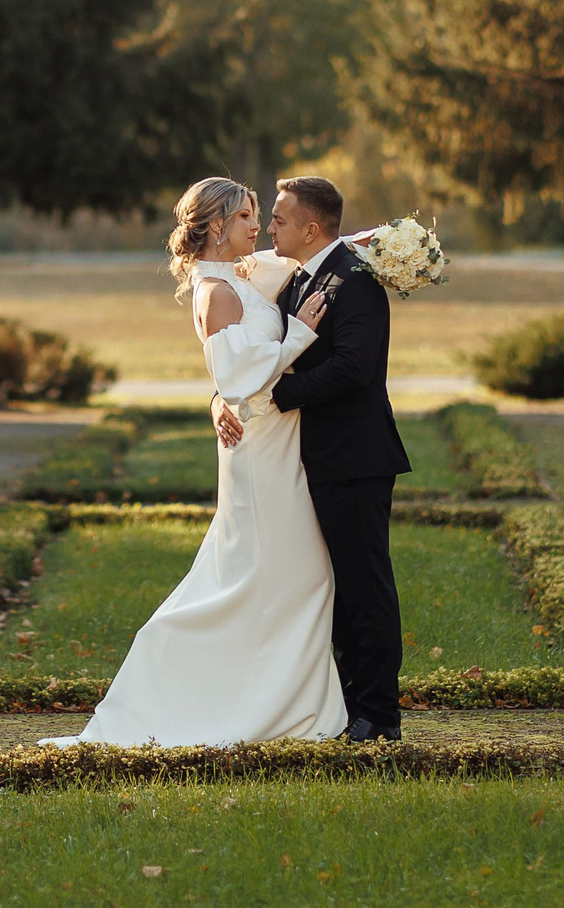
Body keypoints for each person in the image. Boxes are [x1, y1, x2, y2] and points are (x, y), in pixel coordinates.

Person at [44, 176, 346, 746]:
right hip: (259, 452)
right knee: (274, 574)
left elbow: (323, 248)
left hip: (277, 442)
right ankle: (211, 684)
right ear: (214, 226)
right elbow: (237, 376)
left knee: (293, 575)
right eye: (244, 219)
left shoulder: (242, 273)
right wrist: (301, 333)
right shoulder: (217, 292)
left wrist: (390, 243)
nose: (256, 228)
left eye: (259, 215)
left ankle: (291, 704)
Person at [214, 174, 410, 741]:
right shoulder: (303, 276)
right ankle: (348, 707)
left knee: (364, 587)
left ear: (311, 228)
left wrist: (276, 398)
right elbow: (255, 355)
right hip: (315, 458)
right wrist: (225, 397)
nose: (270, 227)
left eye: (278, 218)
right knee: (339, 589)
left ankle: (378, 715)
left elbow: (354, 367)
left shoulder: (354, 281)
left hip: (355, 456)